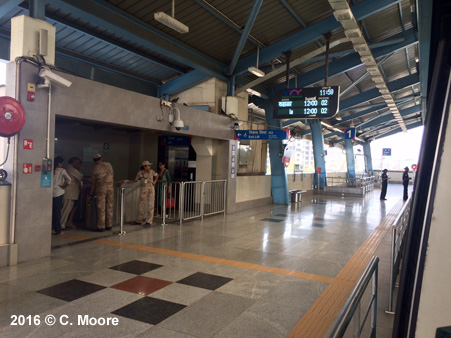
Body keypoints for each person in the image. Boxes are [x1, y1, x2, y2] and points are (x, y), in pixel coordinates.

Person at [121, 160, 158, 226]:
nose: (149, 167)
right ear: (144, 167)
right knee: (141, 204)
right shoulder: (140, 173)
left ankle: (149, 221)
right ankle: (139, 220)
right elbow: (135, 180)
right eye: (148, 165)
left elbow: (157, 175)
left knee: (151, 205)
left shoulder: (151, 172)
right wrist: (126, 182)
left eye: (149, 165)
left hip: (150, 188)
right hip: (143, 188)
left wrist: (155, 181)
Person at [87, 153, 114, 232]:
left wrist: (90, 194)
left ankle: (101, 226)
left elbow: (93, 183)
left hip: (101, 188)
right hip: (110, 187)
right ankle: (109, 225)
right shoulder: (109, 165)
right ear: (101, 158)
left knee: (101, 207)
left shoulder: (94, 169)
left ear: (94, 161)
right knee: (109, 206)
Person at [61, 157, 83, 229]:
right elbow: (81, 178)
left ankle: (63, 223)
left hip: (71, 193)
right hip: (69, 193)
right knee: (66, 210)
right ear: (73, 162)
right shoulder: (71, 169)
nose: (77, 165)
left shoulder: (68, 168)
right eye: (76, 163)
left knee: (67, 209)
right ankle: (61, 225)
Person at [52, 156, 71, 235]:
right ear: (59, 163)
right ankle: (58, 230)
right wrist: (64, 186)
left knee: (52, 211)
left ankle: (52, 227)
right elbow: (69, 180)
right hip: (59, 192)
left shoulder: (51, 170)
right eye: (62, 163)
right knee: (57, 212)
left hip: (51, 193)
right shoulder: (62, 171)